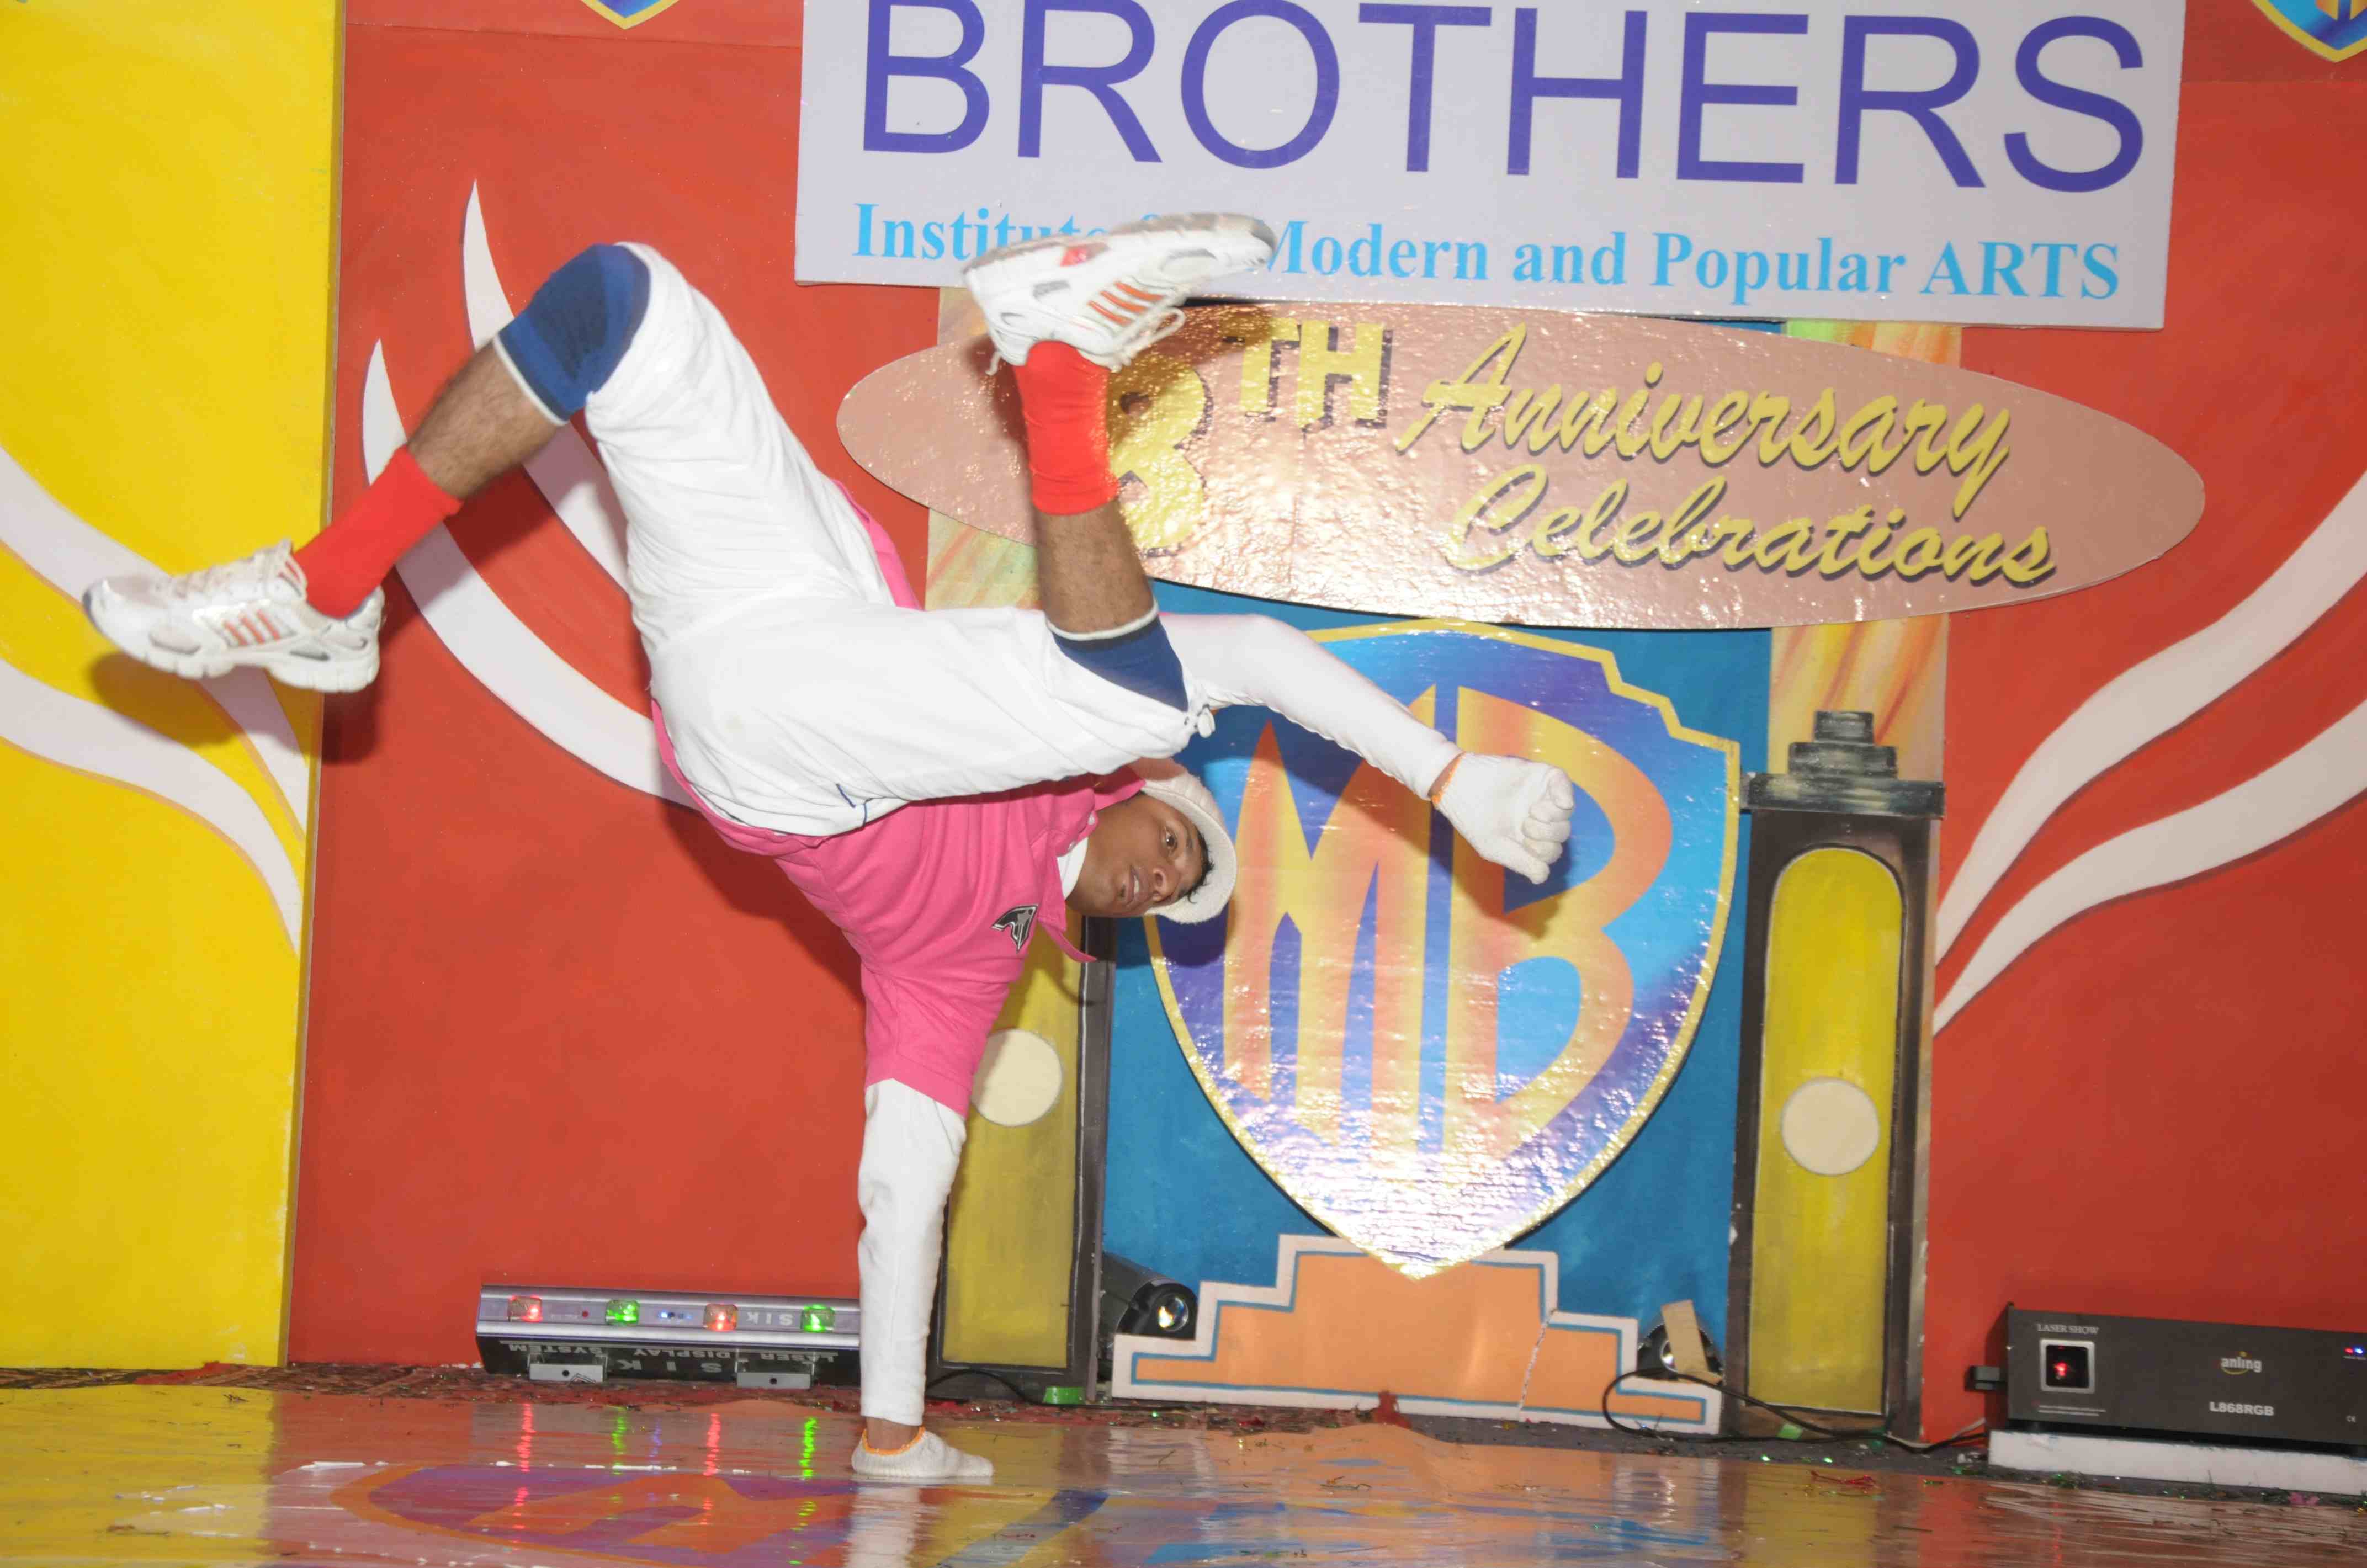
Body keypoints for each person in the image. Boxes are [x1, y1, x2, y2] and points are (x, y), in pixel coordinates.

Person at [83, 214, 1578, 1481]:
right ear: (1141, 798)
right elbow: (1230, 664)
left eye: (1171, 902)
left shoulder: (967, 965)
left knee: (1145, 677)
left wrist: (893, 1428)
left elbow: (903, 1187)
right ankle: (330, 589)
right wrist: (1452, 779)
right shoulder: (1060, 750)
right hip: (792, 598)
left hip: (776, 760)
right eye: (1184, 850)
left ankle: (1061, 368)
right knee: (622, 301)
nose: (1165, 881)